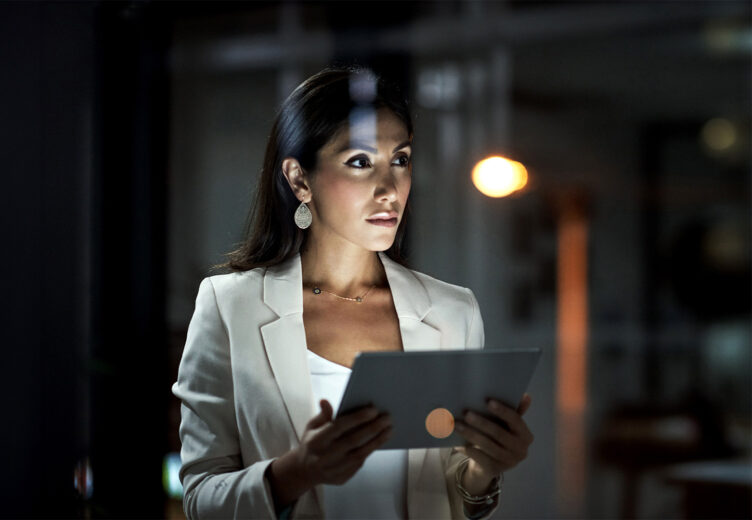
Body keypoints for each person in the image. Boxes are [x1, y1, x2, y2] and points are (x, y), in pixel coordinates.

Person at [172, 66, 534, 520]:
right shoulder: (230, 307)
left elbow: (452, 493)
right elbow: (200, 498)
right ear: (300, 179)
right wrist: (294, 472)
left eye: (399, 160)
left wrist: (485, 466)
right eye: (360, 162)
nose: (390, 190)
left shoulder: (451, 312)